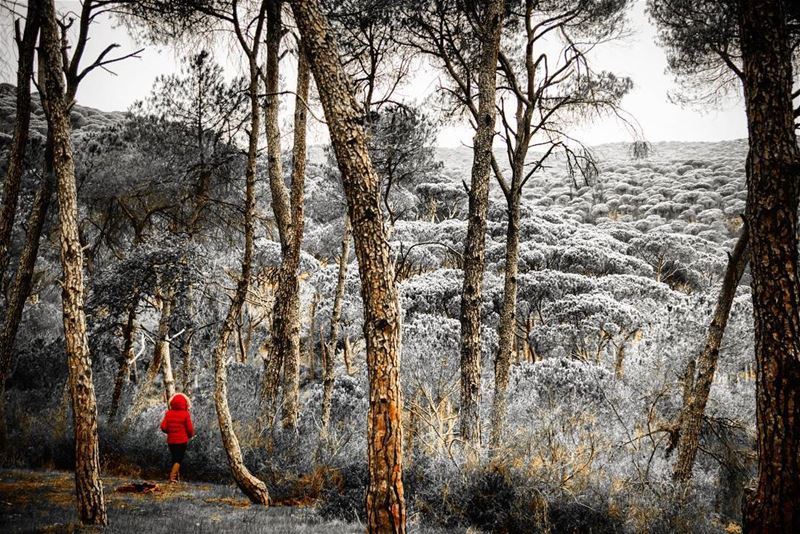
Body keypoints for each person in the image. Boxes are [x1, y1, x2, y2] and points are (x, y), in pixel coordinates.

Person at [159, 392, 195, 483]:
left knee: (174, 459)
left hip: (171, 441)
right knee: (178, 459)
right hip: (182, 441)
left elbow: (163, 427)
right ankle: (172, 478)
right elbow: (190, 429)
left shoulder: (168, 413)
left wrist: (170, 432)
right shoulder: (185, 414)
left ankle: (175, 479)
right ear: (185, 403)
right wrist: (190, 436)